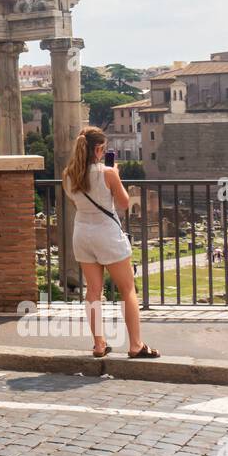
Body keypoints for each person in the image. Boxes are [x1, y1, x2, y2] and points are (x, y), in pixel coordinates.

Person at [62, 126, 158, 358]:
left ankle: (99, 344)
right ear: (97, 149)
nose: (104, 154)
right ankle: (135, 345)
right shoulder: (108, 173)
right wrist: (115, 176)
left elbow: (77, 203)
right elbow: (124, 203)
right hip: (107, 234)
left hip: (82, 233)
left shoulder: (68, 175)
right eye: (103, 149)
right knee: (127, 290)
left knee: (93, 291)